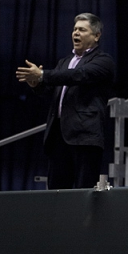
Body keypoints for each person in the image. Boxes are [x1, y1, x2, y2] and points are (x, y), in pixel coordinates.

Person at [16, 13, 115, 189]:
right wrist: (36, 83)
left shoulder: (103, 61)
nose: (75, 33)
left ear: (96, 36)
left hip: (85, 137)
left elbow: (79, 75)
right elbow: (51, 90)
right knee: (57, 192)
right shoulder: (65, 62)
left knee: (83, 193)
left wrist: (44, 75)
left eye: (82, 30)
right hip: (58, 137)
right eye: (74, 29)